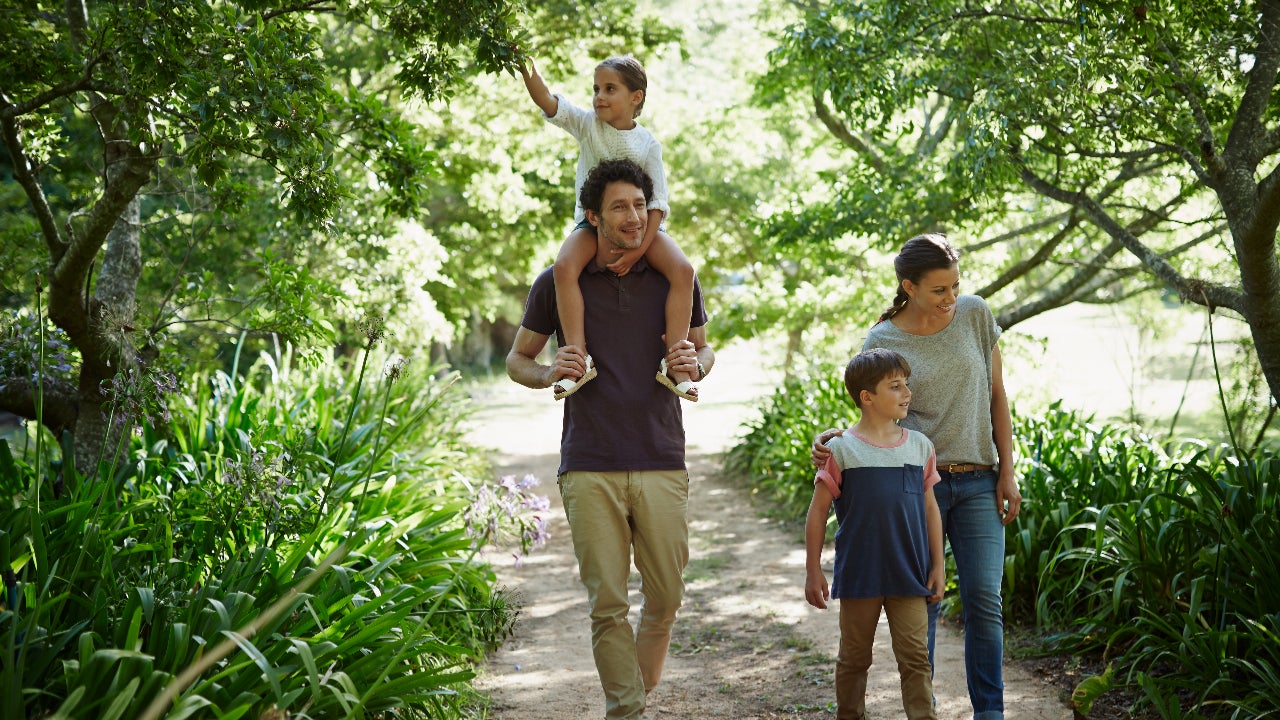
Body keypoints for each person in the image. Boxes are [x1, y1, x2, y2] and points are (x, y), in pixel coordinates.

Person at [506, 158, 714, 720]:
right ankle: (627, 710)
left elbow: (704, 350)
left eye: (641, 206)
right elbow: (516, 360)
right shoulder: (557, 282)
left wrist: (695, 360)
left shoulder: (674, 278)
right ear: (593, 217)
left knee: (667, 597)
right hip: (589, 461)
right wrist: (550, 370)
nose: (634, 217)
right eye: (620, 207)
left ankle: (634, 692)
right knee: (608, 605)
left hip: (661, 456)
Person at [812, 233, 1022, 720]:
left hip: (979, 480)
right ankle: (921, 711)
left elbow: (997, 397)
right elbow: (878, 408)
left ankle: (989, 712)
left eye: (955, 286)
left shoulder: (974, 315)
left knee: (984, 600)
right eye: (938, 290)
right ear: (908, 286)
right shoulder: (882, 338)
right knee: (922, 600)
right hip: (913, 486)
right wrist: (835, 440)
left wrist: (1007, 470)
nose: (951, 299)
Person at [520, 53, 699, 401]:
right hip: (591, 227)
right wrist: (525, 66)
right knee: (564, 266)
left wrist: (639, 253)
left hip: (644, 230)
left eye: (610, 89)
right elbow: (547, 100)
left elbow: (657, 204)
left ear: (636, 98)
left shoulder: (648, 144)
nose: (599, 96)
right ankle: (578, 359)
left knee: (683, 269)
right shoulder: (588, 125)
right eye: (596, 88)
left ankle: (676, 363)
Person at [805, 348, 945, 720]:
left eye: (906, 385)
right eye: (895, 386)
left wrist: (939, 565)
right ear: (867, 397)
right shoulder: (841, 449)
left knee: (916, 658)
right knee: (854, 658)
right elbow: (817, 512)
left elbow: (931, 510)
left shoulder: (920, 447)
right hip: (860, 573)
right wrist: (813, 569)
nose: (906, 393)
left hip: (910, 572)